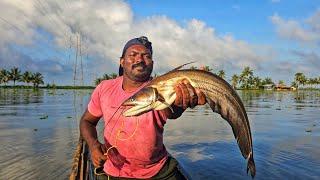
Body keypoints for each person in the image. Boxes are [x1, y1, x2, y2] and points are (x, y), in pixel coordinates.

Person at [80, 36, 206, 180]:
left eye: (146, 56)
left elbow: (171, 112)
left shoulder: (162, 88)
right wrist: (93, 145)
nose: (139, 60)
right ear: (122, 61)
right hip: (113, 170)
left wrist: (181, 104)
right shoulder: (104, 88)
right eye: (132, 55)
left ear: (152, 63)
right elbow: (87, 121)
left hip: (157, 170)